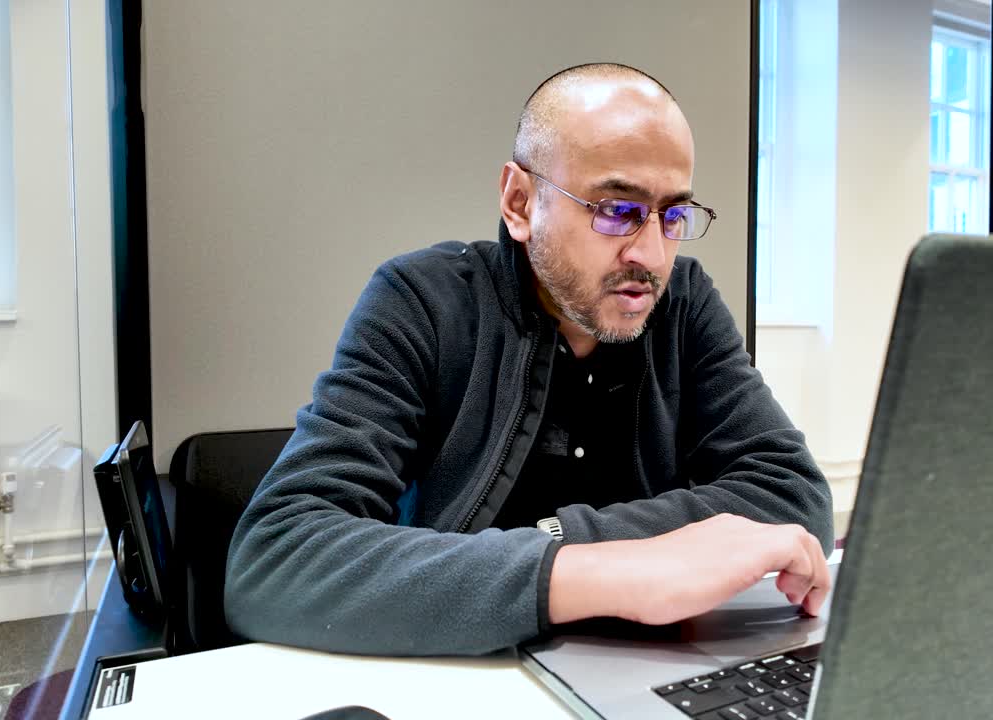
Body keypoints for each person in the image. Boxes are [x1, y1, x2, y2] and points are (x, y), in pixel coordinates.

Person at [225, 63, 833, 656]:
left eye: (673, 215)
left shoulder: (683, 304)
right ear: (519, 202)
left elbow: (793, 498)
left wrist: (566, 538)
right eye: (615, 210)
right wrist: (601, 570)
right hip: (467, 669)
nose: (650, 255)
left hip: (643, 663)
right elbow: (277, 555)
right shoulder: (423, 302)